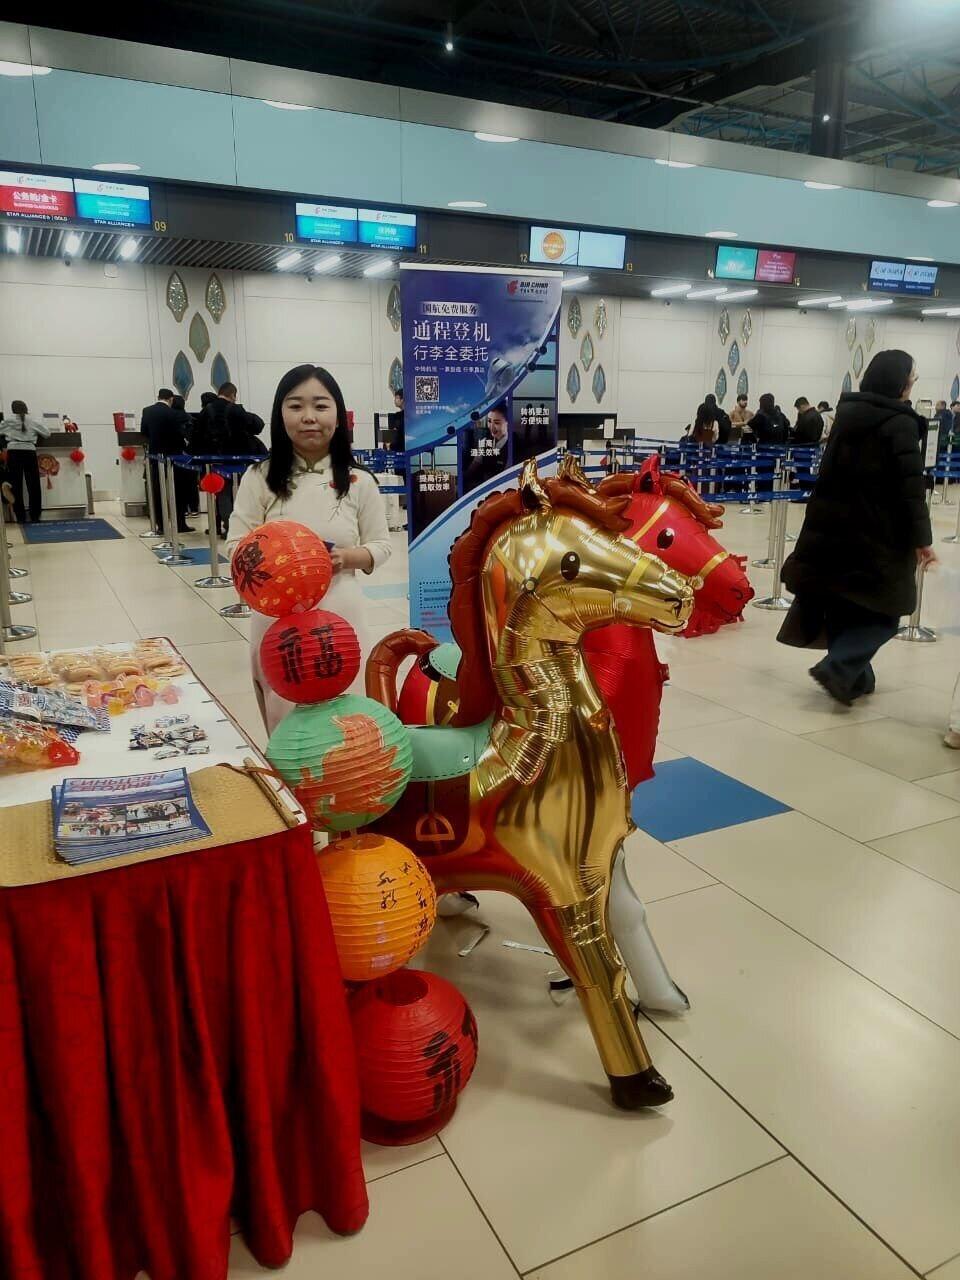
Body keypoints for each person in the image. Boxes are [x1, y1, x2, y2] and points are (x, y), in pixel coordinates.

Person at [227, 364, 391, 733]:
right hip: (276, 617)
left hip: (340, 610)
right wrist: (276, 563)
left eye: (320, 405)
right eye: (295, 406)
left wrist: (346, 558)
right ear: (279, 414)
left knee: (348, 713)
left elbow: (381, 546)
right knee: (285, 711)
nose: (308, 417)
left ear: (338, 414)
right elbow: (235, 544)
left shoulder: (359, 481)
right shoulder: (260, 478)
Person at [779, 349, 936, 705]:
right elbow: (910, 490)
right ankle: (838, 668)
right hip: (879, 536)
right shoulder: (901, 425)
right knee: (886, 615)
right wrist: (922, 540)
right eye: (911, 378)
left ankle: (855, 678)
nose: (912, 385)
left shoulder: (846, 417)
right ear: (899, 382)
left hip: (833, 529)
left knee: (844, 605)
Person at [141, 388, 192, 533]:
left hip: (155, 456)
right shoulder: (174, 413)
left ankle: (161, 525)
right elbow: (182, 433)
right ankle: (180, 523)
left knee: (158, 491)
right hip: (175, 457)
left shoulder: (147, 411)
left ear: (158, 397)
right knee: (178, 491)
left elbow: (144, 432)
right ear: (171, 399)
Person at [3, 400, 51, 523]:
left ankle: (20, 516)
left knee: (16, 485)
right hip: (29, 451)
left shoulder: (8, 421)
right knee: (33, 485)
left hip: (13, 452)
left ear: (13, 409)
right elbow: (47, 433)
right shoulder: (33, 420)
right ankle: (35, 516)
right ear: (26, 408)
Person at [464, 401, 509, 491]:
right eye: (489, 421)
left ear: (508, 423)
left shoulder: (513, 445)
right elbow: (476, 462)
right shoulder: (485, 441)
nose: (491, 427)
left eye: (496, 423)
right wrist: (463, 479)